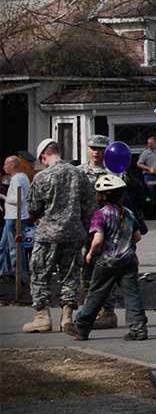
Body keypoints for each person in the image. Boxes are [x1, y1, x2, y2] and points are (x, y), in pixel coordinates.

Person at [22, 139, 95, 333]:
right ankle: (67, 317)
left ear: (43, 157)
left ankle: (42, 317)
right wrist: (83, 230)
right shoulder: (80, 174)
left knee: (40, 274)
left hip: (48, 234)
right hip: (74, 234)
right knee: (70, 276)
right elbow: (90, 207)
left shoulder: (42, 177)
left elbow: (33, 209)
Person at [63, 175, 147, 340]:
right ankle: (138, 329)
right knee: (132, 295)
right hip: (129, 260)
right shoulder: (128, 213)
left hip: (107, 262)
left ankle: (81, 328)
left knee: (96, 294)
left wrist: (90, 254)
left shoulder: (101, 214)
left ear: (102, 196)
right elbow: (137, 237)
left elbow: (98, 239)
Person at [79, 134, 119, 329]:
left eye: (100, 149)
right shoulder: (79, 172)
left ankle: (108, 311)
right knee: (86, 271)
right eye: (93, 148)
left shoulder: (114, 173)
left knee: (107, 271)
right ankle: (90, 309)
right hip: (85, 228)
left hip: (108, 230)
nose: (96, 152)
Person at [1, 156, 31, 280]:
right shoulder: (22, 177)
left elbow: (20, 198)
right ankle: (3, 271)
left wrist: (4, 197)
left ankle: (20, 276)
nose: (4, 167)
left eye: (5, 164)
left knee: (15, 248)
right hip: (12, 216)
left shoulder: (17, 179)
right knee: (3, 246)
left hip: (15, 218)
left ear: (12, 165)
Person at [136, 136, 156, 217]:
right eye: (148, 143)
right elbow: (139, 164)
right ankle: (150, 214)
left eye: (151, 143)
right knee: (152, 195)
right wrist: (149, 169)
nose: (149, 145)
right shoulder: (145, 153)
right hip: (150, 176)